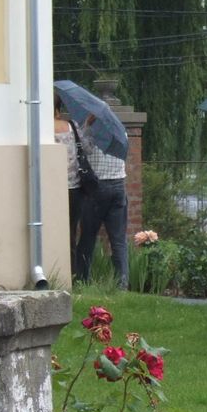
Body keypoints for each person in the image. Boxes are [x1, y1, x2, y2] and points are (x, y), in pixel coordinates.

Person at [73, 119, 129, 289]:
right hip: (119, 185)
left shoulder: (93, 132)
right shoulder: (121, 132)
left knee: (88, 237)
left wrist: (86, 125)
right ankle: (122, 284)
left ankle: (82, 280)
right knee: (118, 240)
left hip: (97, 187)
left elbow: (84, 149)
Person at [55, 100, 84, 262]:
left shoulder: (41, 130)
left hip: (52, 189)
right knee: (71, 230)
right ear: (58, 110)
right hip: (74, 188)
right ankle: (72, 268)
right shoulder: (72, 127)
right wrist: (87, 127)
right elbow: (87, 148)